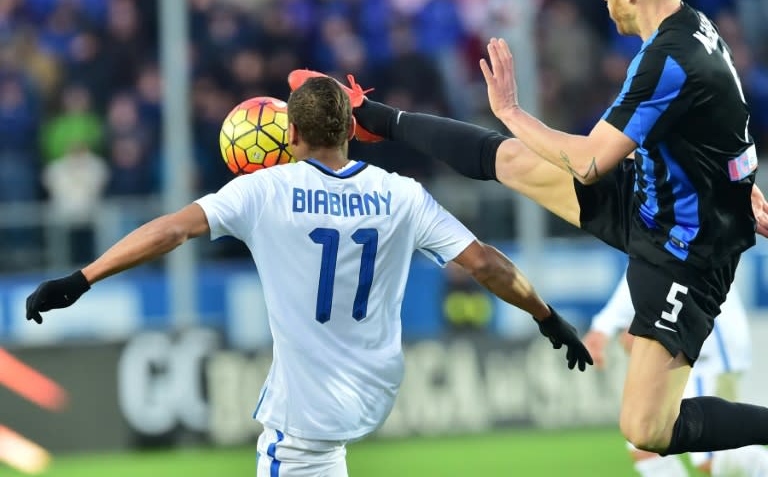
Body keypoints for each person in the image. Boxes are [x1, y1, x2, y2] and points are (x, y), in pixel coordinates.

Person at [288, 0, 768, 457]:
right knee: (513, 160)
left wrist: (512, 111)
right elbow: (724, 118)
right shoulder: (693, 28)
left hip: (686, 251)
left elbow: (587, 164)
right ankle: (374, 118)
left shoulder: (670, 56)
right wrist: (739, 186)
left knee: (646, 428)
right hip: (651, 199)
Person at [25, 77, 592, 477]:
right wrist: (547, 317)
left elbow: (170, 231)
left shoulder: (262, 191)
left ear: (289, 135)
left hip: (304, 414)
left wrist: (83, 276)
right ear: (351, 131)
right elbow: (486, 263)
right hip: (374, 390)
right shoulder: (401, 195)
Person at [584, 269, 768, 476]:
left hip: (707, 351)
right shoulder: (651, 249)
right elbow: (644, 272)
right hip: (687, 350)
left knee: (713, 458)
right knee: (644, 441)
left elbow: (657, 269)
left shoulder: (675, 244)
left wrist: (604, 327)